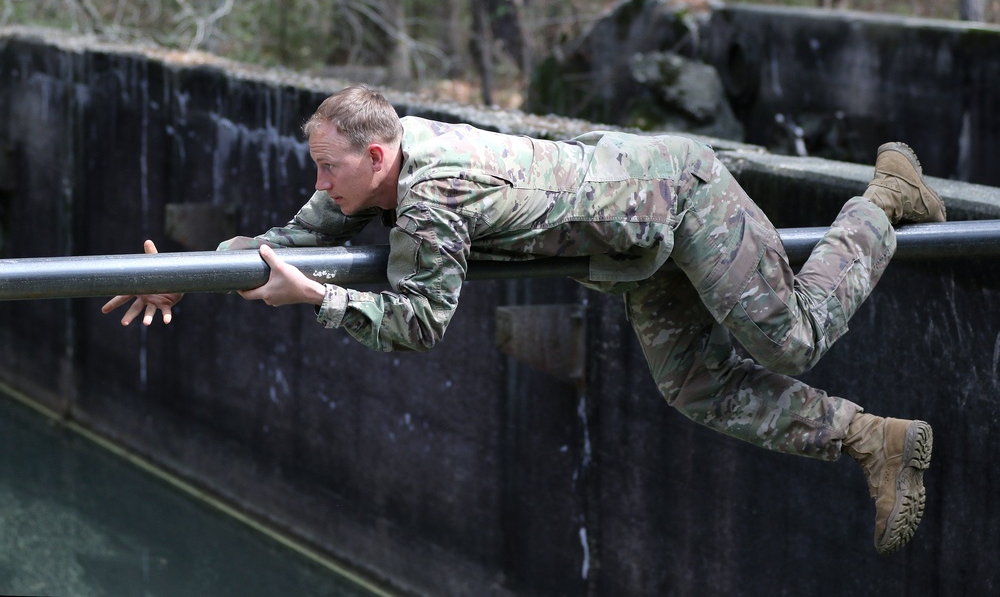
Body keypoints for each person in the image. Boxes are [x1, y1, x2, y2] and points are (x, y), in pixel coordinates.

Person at [103, 84, 946, 555]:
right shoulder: (379, 162)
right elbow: (297, 237)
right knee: (698, 387)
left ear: (375, 155)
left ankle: (882, 199)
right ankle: (873, 439)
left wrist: (321, 299)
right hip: (629, 242)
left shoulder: (431, 195)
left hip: (673, 195)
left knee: (788, 336)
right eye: (315, 168)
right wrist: (197, 275)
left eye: (328, 169)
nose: (321, 186)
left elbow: (421, 323)